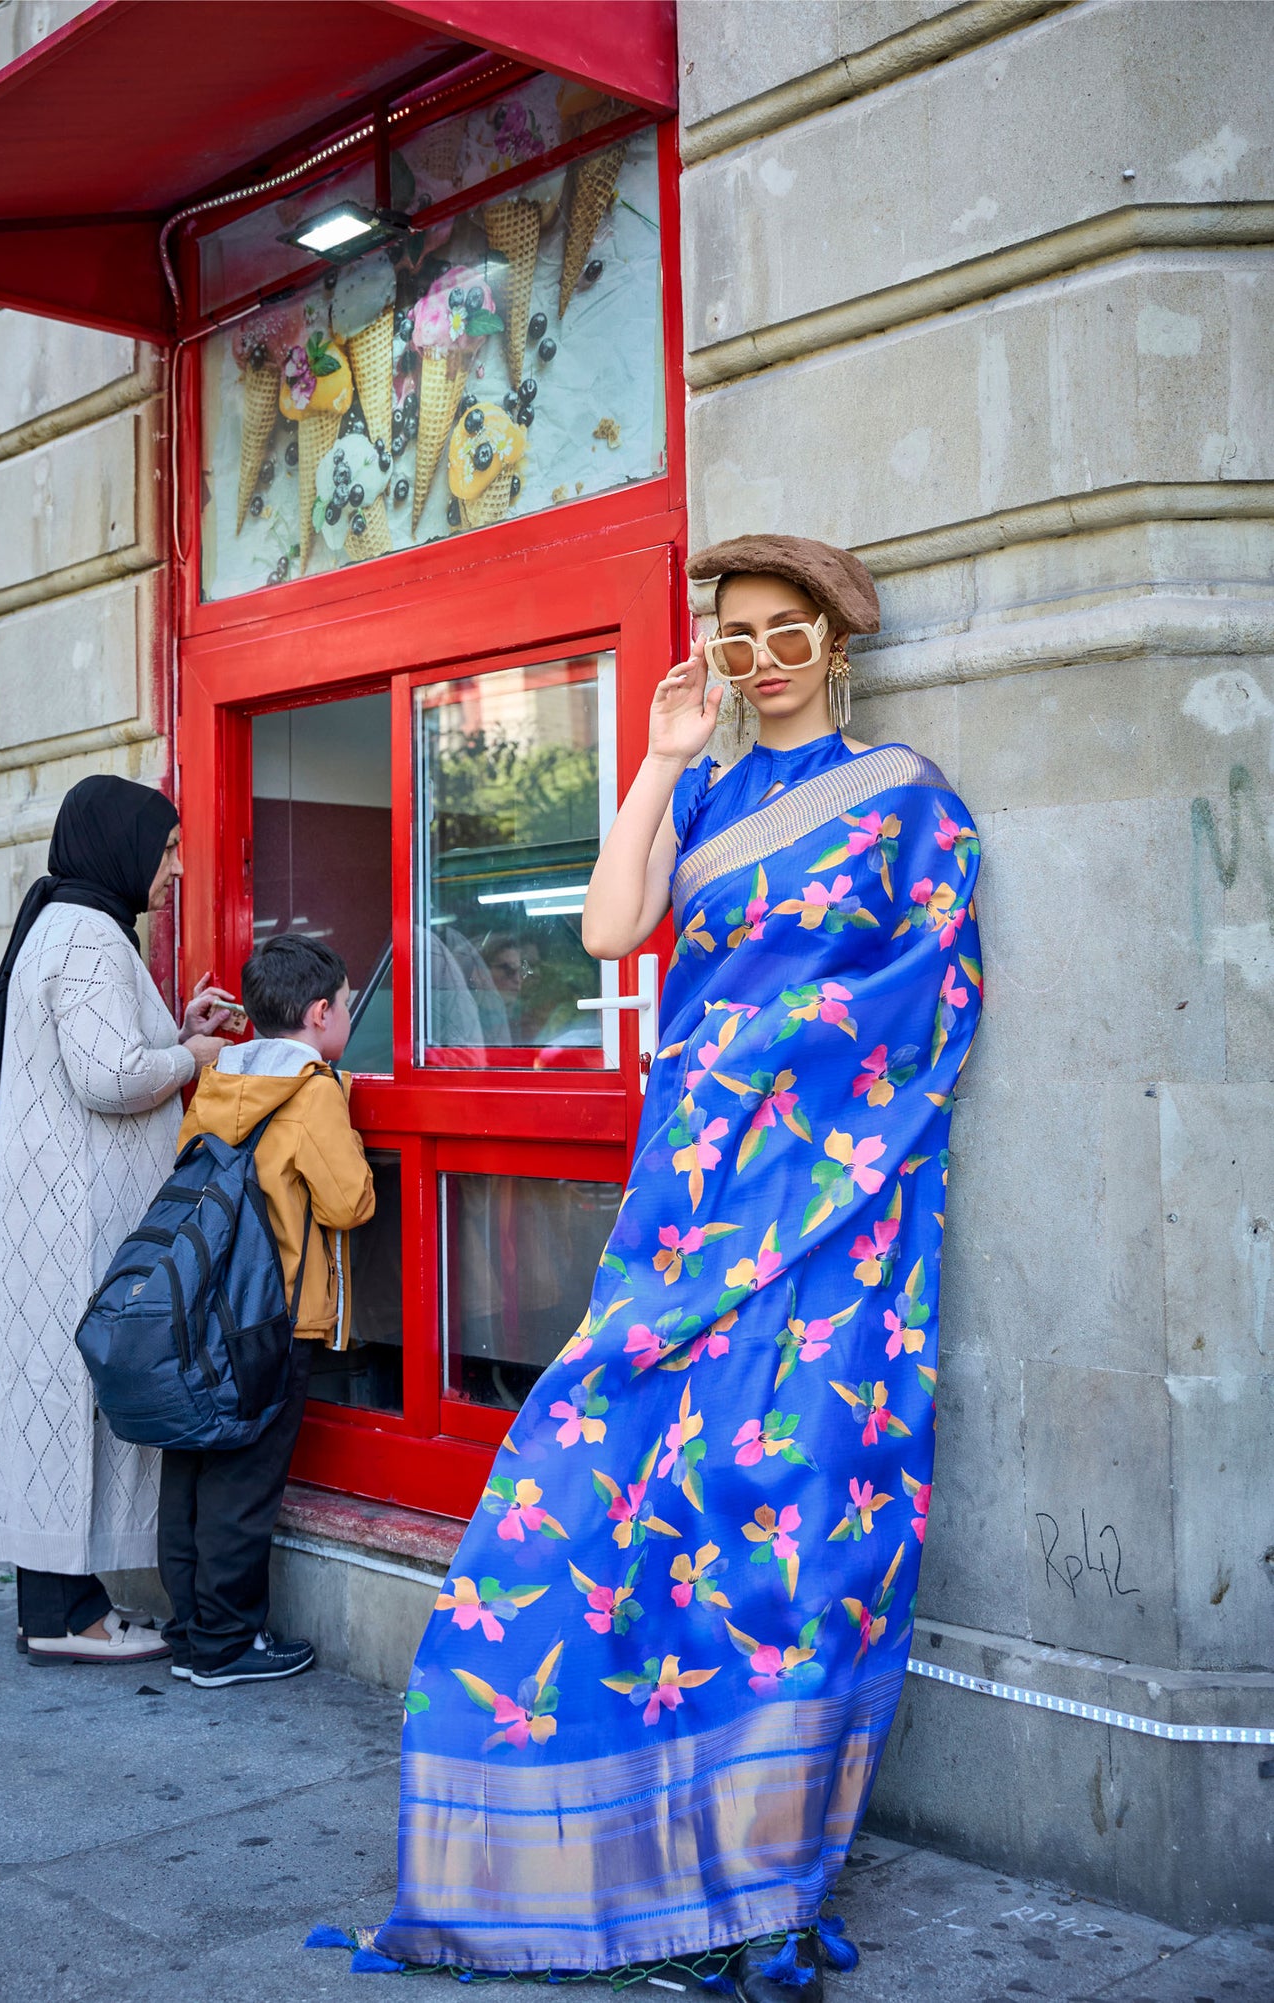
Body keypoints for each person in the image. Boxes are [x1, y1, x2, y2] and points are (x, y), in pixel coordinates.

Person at [352, 536, 983, 1999]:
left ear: (837, 645)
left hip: (834, 1216)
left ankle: (761, 1874)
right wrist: (654, 755)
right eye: (736, 635)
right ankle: (591, 1844)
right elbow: (608, 928)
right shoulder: (703, 787)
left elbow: (931, 1003)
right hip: (686, 1210)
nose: (757, 659)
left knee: (801, 1506)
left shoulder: (907, 802)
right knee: (621, 1483)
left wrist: (768, 1067)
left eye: (784, 634)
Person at [0, 776, 232, 1665]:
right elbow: (110, 1075)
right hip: (68, 1223)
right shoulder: (86, 933)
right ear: (120, 844)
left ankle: (55, 1604)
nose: (174, 866)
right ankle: (67, 1618)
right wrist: (192, 1056)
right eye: (164, 849)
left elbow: (106, 1046)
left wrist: (178, 1024)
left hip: (54, 1214)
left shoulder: (73, 922)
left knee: (53, 1395)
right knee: (67, 1397)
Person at [164, 934, 376, 1687]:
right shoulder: (313, 1088)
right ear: (321, 1013)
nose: (347, 1015)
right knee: (245, 1482)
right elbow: (348, 1202)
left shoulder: (222, 1076)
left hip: (207, 1311)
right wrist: (343, 1106)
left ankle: (191, 1629)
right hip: (273, 1317)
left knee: (191, 1467)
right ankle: (226, 1642)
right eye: (347, 1005)